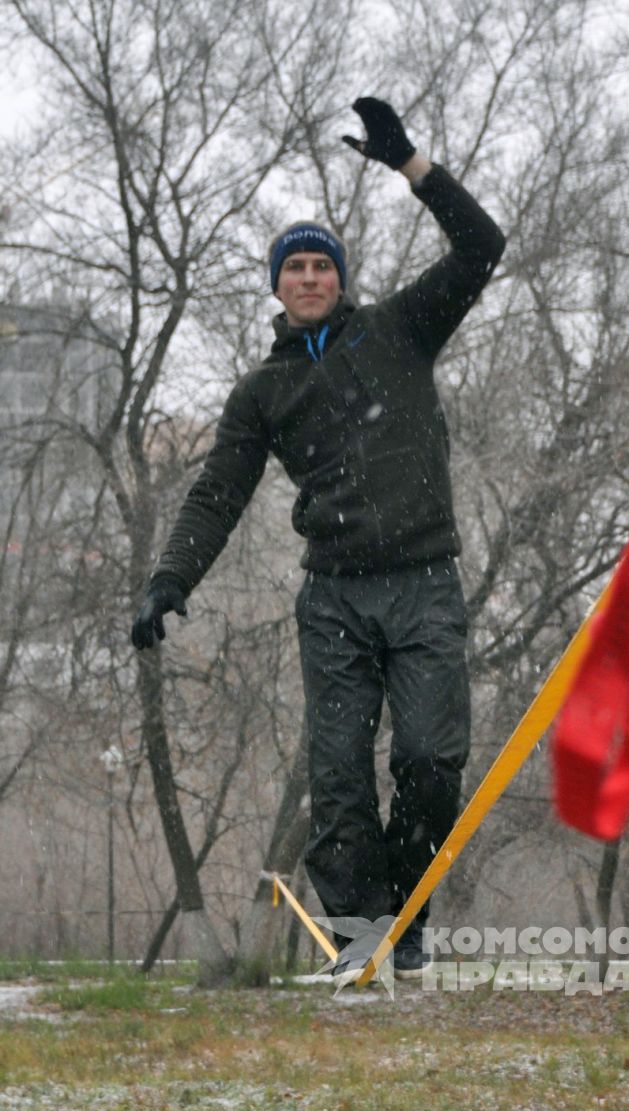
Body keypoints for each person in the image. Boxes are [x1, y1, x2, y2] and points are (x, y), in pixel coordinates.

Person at [130, 97, 506, 974]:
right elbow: (218, 492)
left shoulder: (401, 330)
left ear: (339, 277)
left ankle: (406, 922)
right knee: (337, 774)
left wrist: (411, 165)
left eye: (320, 265)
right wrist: (168, 582)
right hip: (334, 594)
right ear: (277, 285)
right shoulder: (262, 392)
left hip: (423, 583)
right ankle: (359, 934)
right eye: (293, 267)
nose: (307, 277)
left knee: (427, 759)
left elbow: (481, 245)